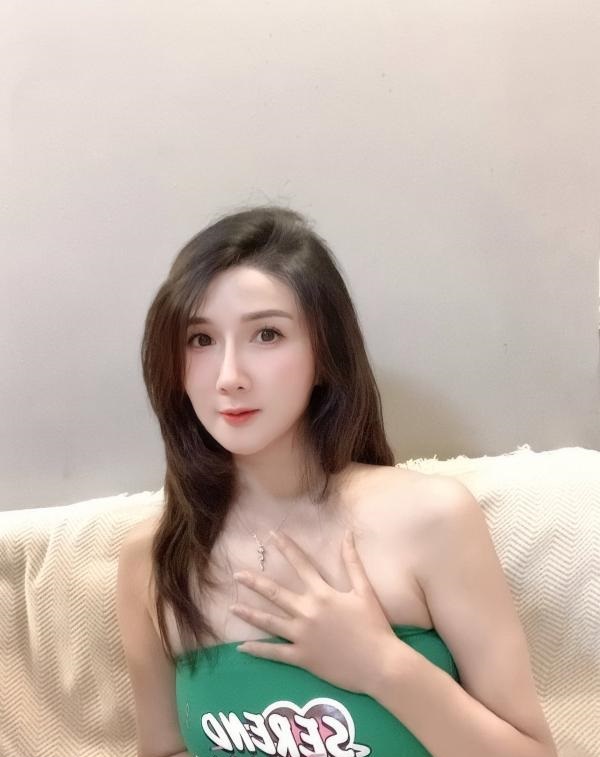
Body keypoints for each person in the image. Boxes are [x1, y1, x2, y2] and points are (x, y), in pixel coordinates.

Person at [116, 205, 557, 757]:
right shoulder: (151, 561)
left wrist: (382, 665)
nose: (229, 377)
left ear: (324, 352)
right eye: (200, 340)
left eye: (267, 334)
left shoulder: (432, 518)